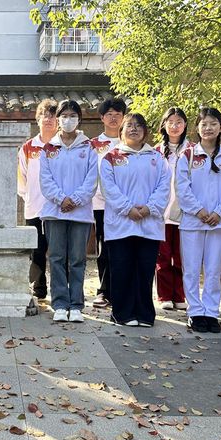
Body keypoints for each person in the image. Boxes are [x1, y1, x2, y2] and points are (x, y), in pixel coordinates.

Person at [100, 113, 170, 327]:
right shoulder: (110, 157)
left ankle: (144, 314)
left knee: (145, 269)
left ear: (145, 131)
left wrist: (149, 208)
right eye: (129, 125)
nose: (134, 129)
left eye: (139, 126)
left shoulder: (157, 158)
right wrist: (127, 209)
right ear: (121, 131)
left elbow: (164, 186)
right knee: (122, 269)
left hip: (149, 224)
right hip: (121, 224)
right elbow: (108, 188)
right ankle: (122, 313)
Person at [176, 108, 221, 333]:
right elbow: (182, 188)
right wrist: (199, 211)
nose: (208, 128)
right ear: (197, 128)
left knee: (213, 270)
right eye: (204, 124)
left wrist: (219, 213)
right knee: (191, 269)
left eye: (213, 124)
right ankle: (195, 311)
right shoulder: (187, 156)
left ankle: (211, 312)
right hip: (193, 222)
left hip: (219, 223)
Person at [39, 99, 99, 323]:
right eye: (64, 116)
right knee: (56, 257)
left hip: (80, 213)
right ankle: (60, 303)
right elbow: (45, 180)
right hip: (55, 212)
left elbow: (91, 180)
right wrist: (61, 199)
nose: (68, 120)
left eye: (73, 116)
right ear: (58, 119)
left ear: (79, 119)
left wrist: (74, 200)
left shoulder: (88, 147)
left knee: (77, 259)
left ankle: (76, 305)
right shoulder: (48, 149)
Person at [18, 99, 57, 300]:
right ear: (38, 119)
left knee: (59, 251)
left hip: (59, 208)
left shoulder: (62, 146)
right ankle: (39, 288)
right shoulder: (28, 147)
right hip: (35, 207)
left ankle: (60, 290)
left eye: (52, 116)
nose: (48, 119)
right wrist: (29, 197)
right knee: (37, 250)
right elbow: (21, 177)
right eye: (44, 115)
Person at [90, 98, 126, 308]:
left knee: (122, 246)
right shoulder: (93, 144)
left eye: (118, 114)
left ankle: (120, 290)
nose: (113, 118)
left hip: (126, 205)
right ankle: (103, 291)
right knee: (104, 246)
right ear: (102, 117)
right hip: (100, 204)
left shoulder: (129, 143)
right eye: (109, 114)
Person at [154, 107, 190, 311]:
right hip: (162, 212)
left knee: (183, 256)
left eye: (179, 122)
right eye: (171, 122)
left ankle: (180, 294)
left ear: (185, 126)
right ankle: (164, 295)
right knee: (163, 257)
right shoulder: (155, 151)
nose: (175, 126)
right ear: (164, 125)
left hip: (186, 212)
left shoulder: (193, 151)